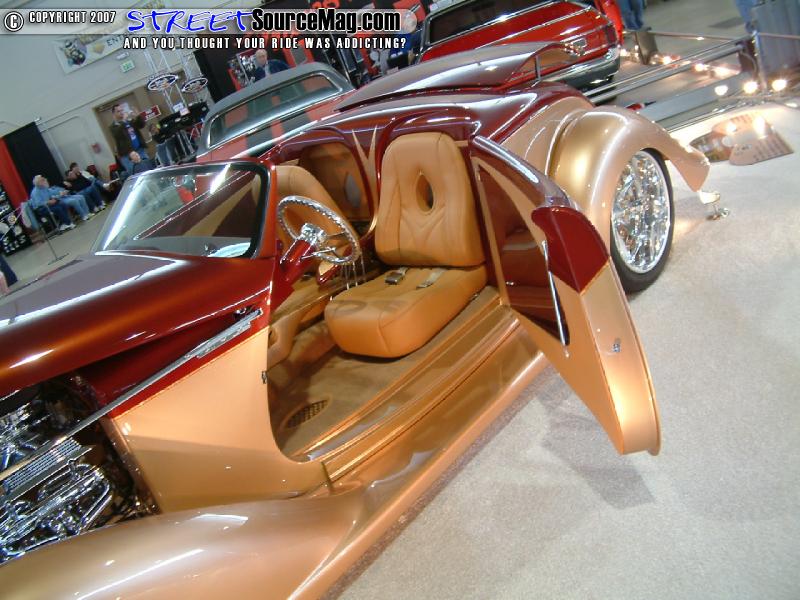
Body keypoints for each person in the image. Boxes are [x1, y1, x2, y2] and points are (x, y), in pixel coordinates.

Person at [109, 104, 150, 176]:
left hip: (140, 150)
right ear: (113, 114)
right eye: (118, 111)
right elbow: (118, 134)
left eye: (122, 110)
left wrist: (138, 116)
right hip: (127, 155)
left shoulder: (129, 121)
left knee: (148, 169)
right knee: (135, 174)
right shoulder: (113, 127)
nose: (121, 112)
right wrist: (123, 121)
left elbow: (141, 125)